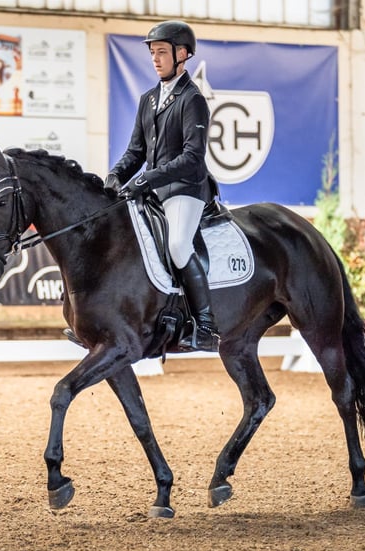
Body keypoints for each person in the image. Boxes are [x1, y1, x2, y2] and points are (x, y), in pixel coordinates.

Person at [105, 20, 220, 352]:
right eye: (152, 53)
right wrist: (115, 177)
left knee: (179, 245)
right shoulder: (148, 99)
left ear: (181, 54)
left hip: (185, 189)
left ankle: (205, 326)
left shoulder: (193, 99)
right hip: (152, 189)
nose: (155, 59)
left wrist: (145, 179)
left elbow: (192, 157)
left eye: (161, 53)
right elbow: (136, 152)